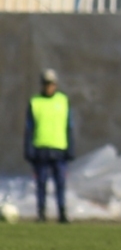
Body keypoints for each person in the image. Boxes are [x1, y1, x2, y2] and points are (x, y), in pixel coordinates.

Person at [24, 69, 74, 224]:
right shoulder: (35, 101)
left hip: (59, 148)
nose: (49, 87)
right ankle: (41, 213)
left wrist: (71, 147)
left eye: (51, 84)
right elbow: (29, 128)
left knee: (60, 183)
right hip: (41, 148)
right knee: (41, 183)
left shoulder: (63, 100)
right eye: (46, 84)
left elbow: (69, 126)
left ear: (56, 84)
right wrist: (28, 149)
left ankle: (62, 213)